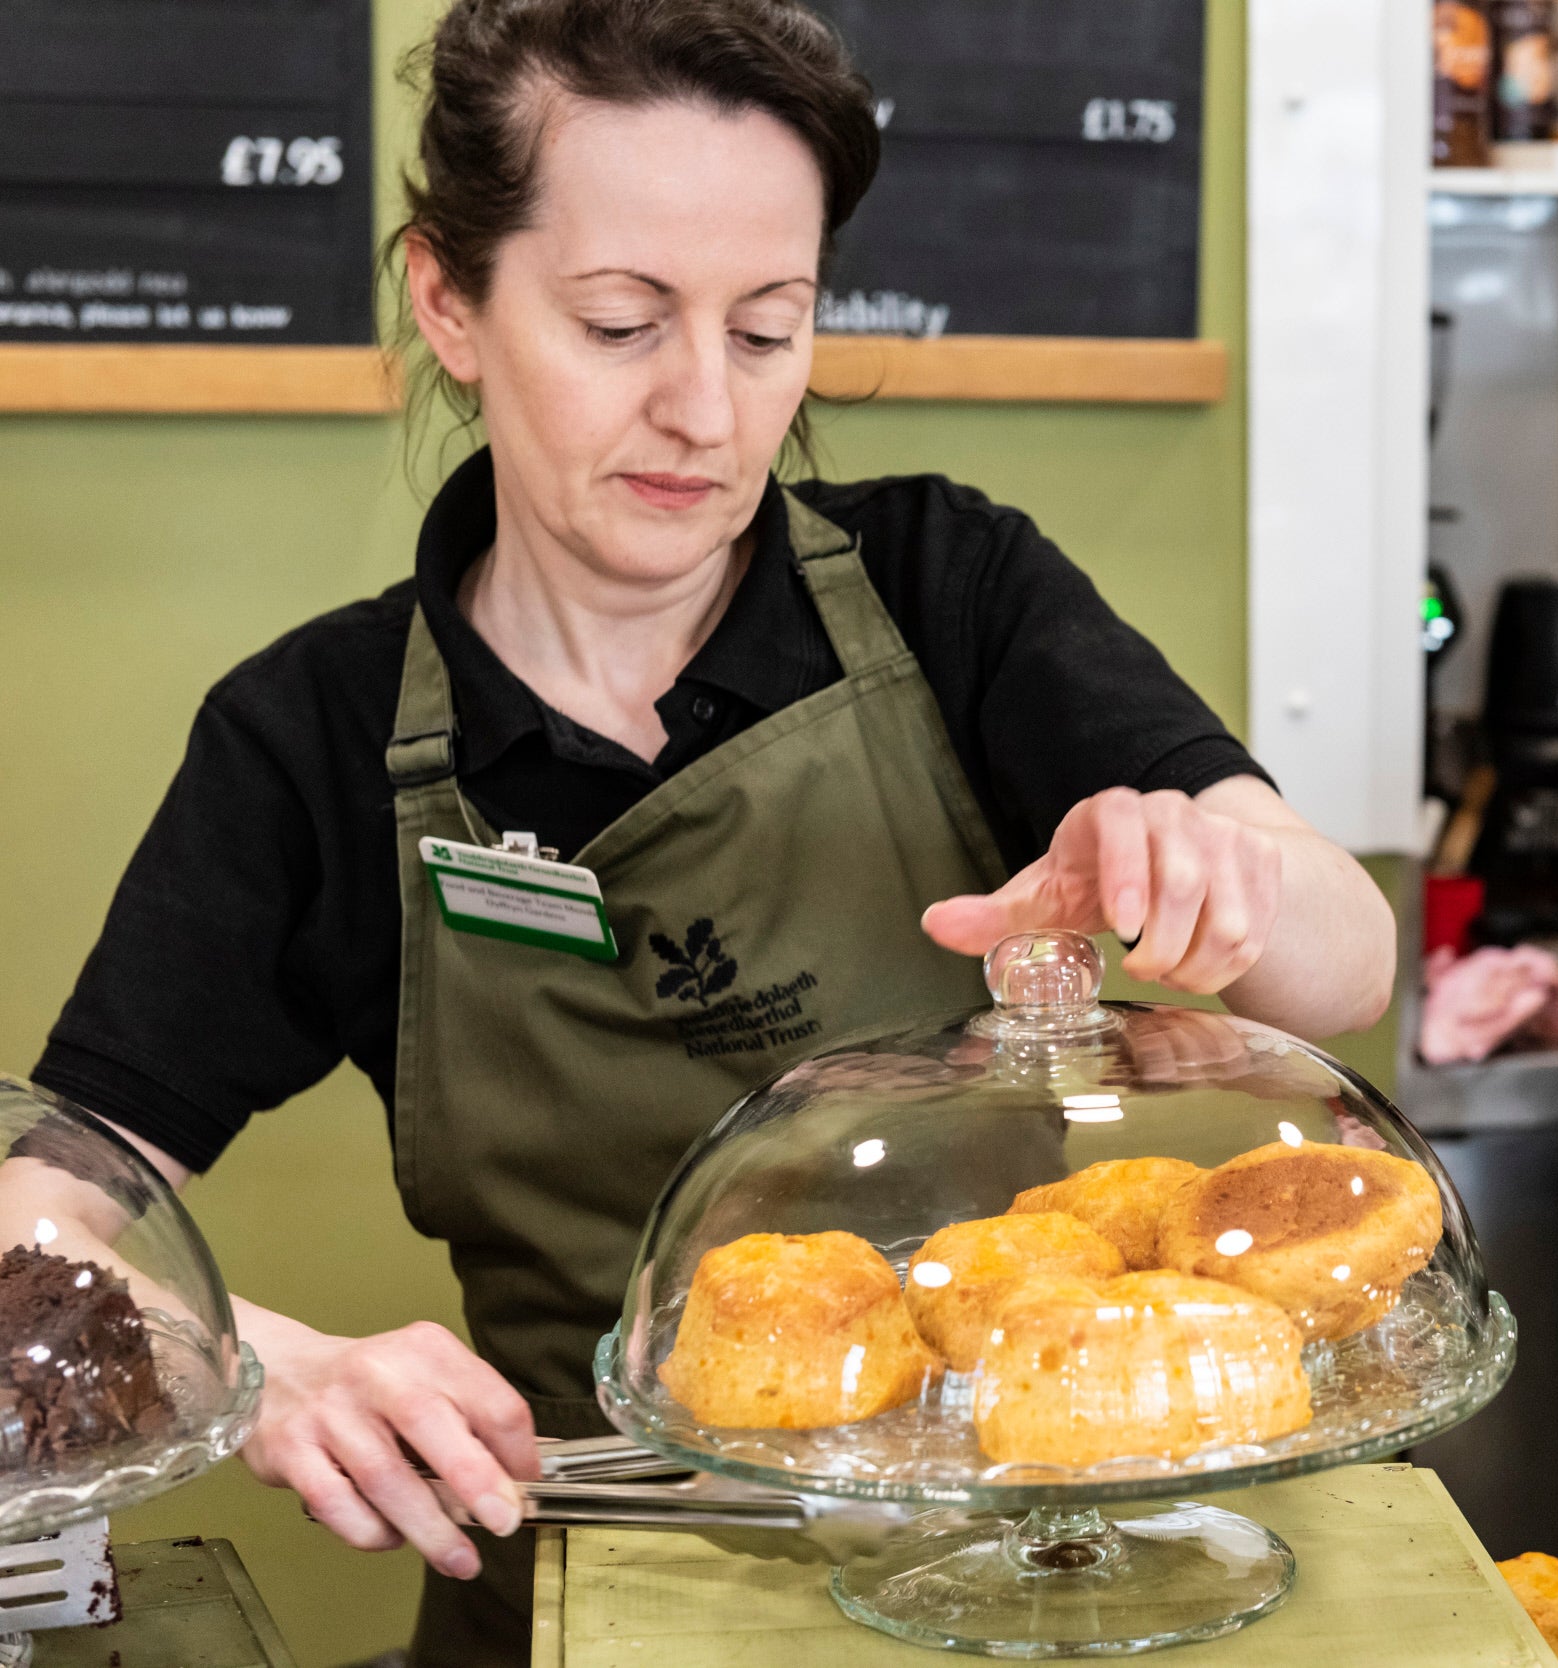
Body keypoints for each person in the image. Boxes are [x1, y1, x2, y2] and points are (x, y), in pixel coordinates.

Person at [26, 1, 1394, 1659]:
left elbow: (1349, 963)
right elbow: (34, 1216)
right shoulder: (308, 742)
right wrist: (258, 1366)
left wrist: (1221, 876)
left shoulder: (953, 592)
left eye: (768, 330)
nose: (704, 411)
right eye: (620, 323)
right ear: (447, 298)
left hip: (1039, 1573)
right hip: (583, 1589)